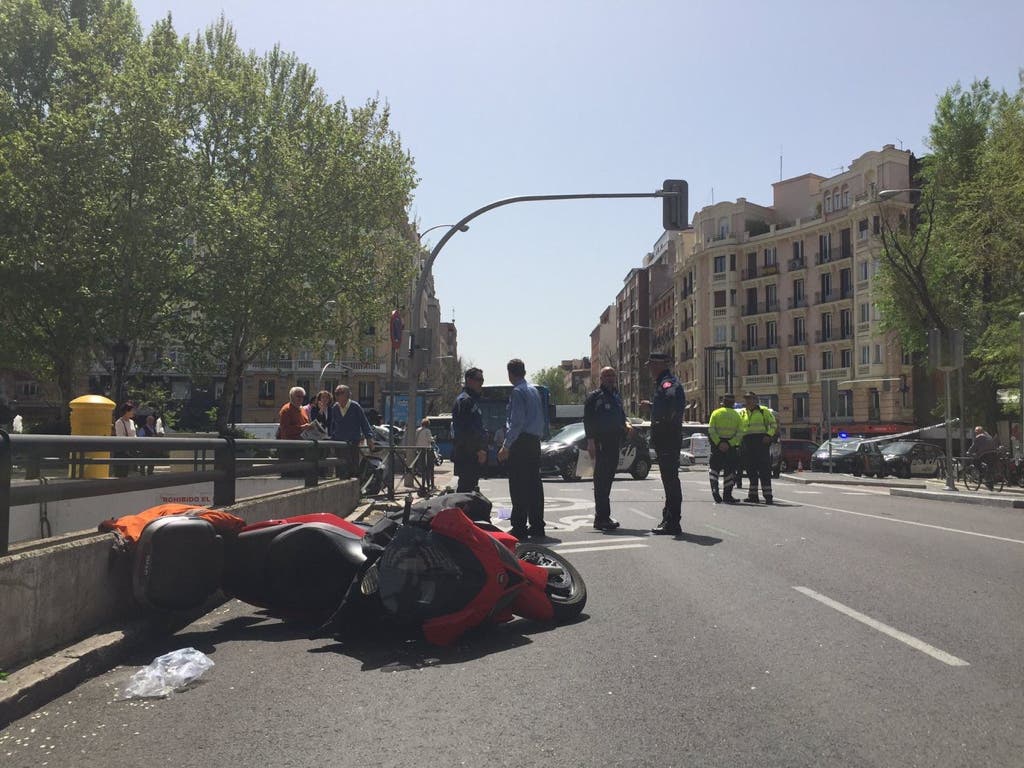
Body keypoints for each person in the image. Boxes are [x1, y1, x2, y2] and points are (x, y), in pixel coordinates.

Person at [497, 359, 546, 539]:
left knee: (518, 486)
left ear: (510, 374)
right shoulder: (533, 390)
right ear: (524, 371)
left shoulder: (517, 392)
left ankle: (519, 527)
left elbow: (517, 422)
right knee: (534, 485)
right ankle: (537, 525)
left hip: (521, 442)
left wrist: (506, 446)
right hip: (534, 441)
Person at [641, 353, 686, 535]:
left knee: (670, 481)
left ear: (659, 365)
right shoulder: (663, 382)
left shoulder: (667, 382)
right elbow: (667, 405)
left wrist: (666, 423)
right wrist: (653, 407)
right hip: (666, 437)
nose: (650, 369)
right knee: (669, 480)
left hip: (667, 437)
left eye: (652, 365)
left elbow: (673, 401)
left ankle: (672, 521)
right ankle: (669, 518)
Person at [584, 366, 630, 531]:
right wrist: (590, 442)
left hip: (614, 443)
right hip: (601, 443)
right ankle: (601, 518)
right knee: (601, 481)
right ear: (601, 378)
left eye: (612, 375)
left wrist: (627, 424)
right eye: (607, 375)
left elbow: (621, 416)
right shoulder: (594, 397)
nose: (610, 378)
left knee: (608, 480)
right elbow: (588, 420)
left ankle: (603, 516)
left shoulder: (616, 396)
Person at [451, 367, 488, 493]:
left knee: (470, 490)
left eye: (482, 380)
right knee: (465, 491)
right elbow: (465, 430)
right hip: (467, 453)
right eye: (478, 379)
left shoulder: (472, 401)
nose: (481, 383)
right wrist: (478, 450)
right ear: (469, 380)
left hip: (472, 454)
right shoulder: (465, 401)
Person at [329, 384, 376, 479]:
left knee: (352, 465)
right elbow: (332, 426)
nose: (338, 395)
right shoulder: (335, 408)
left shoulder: (355, 406)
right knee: (340, 465)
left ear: (348, 395)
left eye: (341, 393)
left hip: (352, 441)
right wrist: (331, 440)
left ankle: (354, 486)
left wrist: (369, 438)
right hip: (339, 441)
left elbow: (364, 422)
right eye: (336, 393)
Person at [740, 391, 777, 503]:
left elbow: (773, 425)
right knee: (751, 470)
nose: (748, 401)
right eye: (746, 399)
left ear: (755, 400)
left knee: (764, 470)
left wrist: (768, 435)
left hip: (761, 442)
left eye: (750, 399)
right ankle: (753, 496)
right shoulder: (742, 413)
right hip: (747, 442)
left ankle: (768, 496)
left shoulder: (763, 411)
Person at [708, 392, 743, 504]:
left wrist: (719, 443)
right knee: (729, 472)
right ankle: (727, 496)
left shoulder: (716, 413)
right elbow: (740, 433)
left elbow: (711, 430)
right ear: (733, 403)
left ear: (722, 402)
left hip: (717, 446)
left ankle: (714, 488)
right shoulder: (737, 415)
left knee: (714, 469)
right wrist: (730, 443)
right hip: (730, 447)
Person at [966, 425, 998, 490]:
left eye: (976, 432)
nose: (975, 433)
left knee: (976, 461)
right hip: (994, 453)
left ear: (977, 432)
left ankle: (982, 475)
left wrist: (968, 452)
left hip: (985, 453)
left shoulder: (979, 437)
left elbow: (973, 447)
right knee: (989, 466)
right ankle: (989, 480)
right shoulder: (988, 435)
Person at [112, 401, 137, 478]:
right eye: (132, 411)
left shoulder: (132, 422)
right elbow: (120, 436)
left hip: (131, 449)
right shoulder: (119, 422)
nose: (133, 412)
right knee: (121, 472)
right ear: (127, 411)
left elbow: (134, 434)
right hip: (123, 450)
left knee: (127, 472)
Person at [414, 417, 435, 489]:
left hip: (419, 450)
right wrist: (433, 439)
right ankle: (430, 485)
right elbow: (430, 440)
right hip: (427, 450)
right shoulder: (427, 430)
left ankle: (423, 484)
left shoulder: (417, 430)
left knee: (423, 467)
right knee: (429, 467)